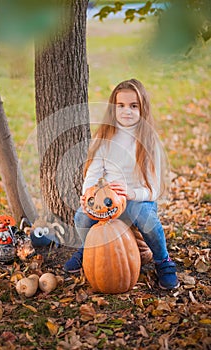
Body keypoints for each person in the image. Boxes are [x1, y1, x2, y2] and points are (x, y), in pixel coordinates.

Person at [64, 78, 180, 290]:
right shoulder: (106, 137)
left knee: (146, 218)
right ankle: (87, 248)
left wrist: (131, 193)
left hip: (138, 200)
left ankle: (163, 260)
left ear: (142, 108)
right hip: (108, 201)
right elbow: (93, 172)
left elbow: (153, 189)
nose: (127, 111)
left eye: (133, 106)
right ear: (113, 108)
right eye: (121, 105)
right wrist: (87, 194)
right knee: (81, 215)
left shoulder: (149, 142)